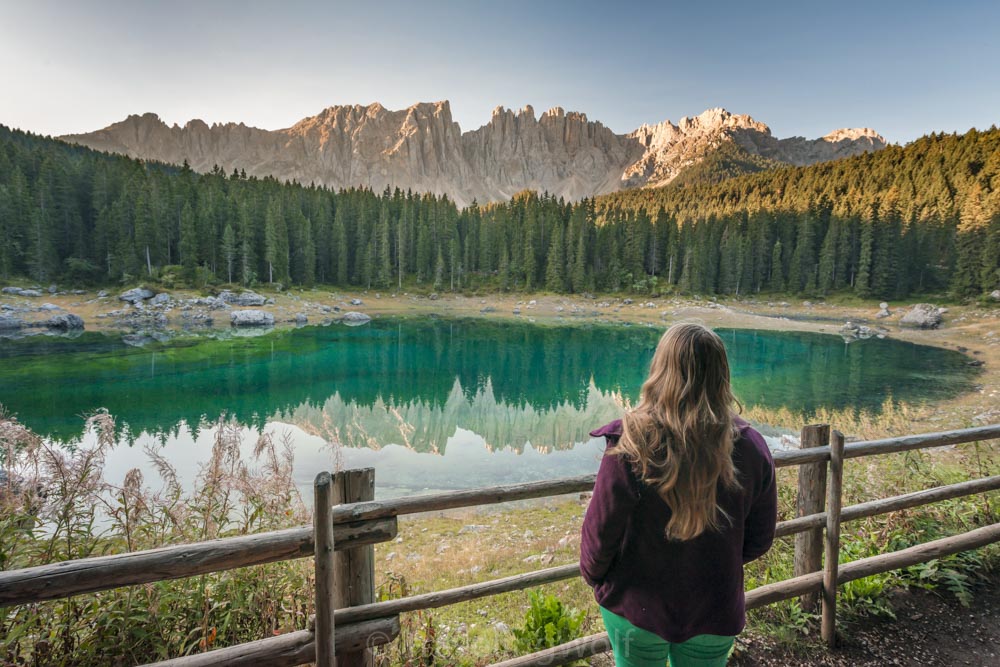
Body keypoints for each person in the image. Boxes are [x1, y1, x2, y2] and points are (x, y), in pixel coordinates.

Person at [580, 322, 777, 667]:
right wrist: (711, 565)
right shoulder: (751, 447)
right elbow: (760, 539)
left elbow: (600, 533)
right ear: (721, 374)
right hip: (715, 609)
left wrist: (598, 579)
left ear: (661, 370)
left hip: (635, 606)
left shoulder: (632, 444)